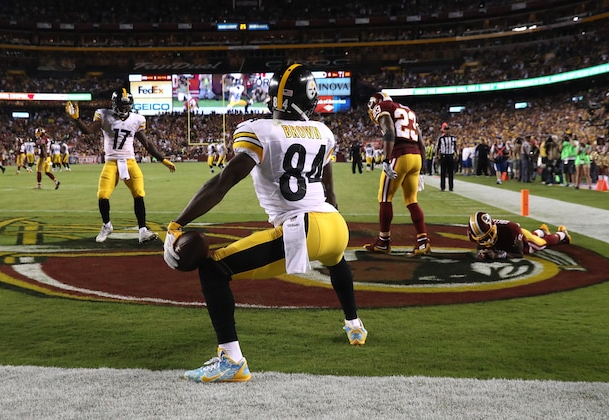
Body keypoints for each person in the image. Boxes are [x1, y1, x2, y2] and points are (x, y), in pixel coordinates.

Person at [163, 64, 367, 383]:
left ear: (280, 98)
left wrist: (178, 223)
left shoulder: (261, 130)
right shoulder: (324, 133)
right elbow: (331, 194)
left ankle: (231, 360)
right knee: (337, 261)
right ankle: (354, 325)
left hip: (303, 228)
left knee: (214, 269)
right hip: (335, 226)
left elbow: (221, 183)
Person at [65, 89, 176, 243]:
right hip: (111, 162)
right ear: (114, 104)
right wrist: (77, 119)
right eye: (121, 106)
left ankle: (143, 230)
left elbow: (147, 144)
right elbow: (88, 131)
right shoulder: (104, 115)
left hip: (130, 162)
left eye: (127, 106)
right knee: (103, 194)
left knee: (139, 193)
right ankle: (107, 225)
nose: (124, 109)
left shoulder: (136, 119)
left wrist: (163, 159)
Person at [363, 92, 430, 256]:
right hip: (416, 157)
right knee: (411, 200)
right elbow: (421, 142)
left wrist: (386, 159)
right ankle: (423, 242)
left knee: (385, 197)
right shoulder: (408, 111)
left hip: (400, 154)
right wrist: (422, 167)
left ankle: (383, 242)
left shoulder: (383, 107)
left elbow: (389, 131)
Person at [467, 211, 571, 260]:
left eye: (488, 236)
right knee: (533, 236)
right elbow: (481, 247)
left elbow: (519, 254)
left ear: (493, 228)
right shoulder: (476, 234)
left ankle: (562, 234)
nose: (487, 240)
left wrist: (498, 255)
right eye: (483, 238)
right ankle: (542, 230)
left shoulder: (510, 229)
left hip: (521, 238)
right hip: (512, 237)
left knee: (540, 244)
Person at [435, 122, 457, 191]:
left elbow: (455, 147)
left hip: (451, 155)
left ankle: (451, 187)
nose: (447, 131)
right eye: (446, 129)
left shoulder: (453, 138)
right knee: (443, 172)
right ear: (444, 130)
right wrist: (436, 156)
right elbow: (437, 148)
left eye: (448, 129)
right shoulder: (441, 138)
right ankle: (442, 187)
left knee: (451, 172)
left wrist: (456, 154)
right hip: (443, 155)